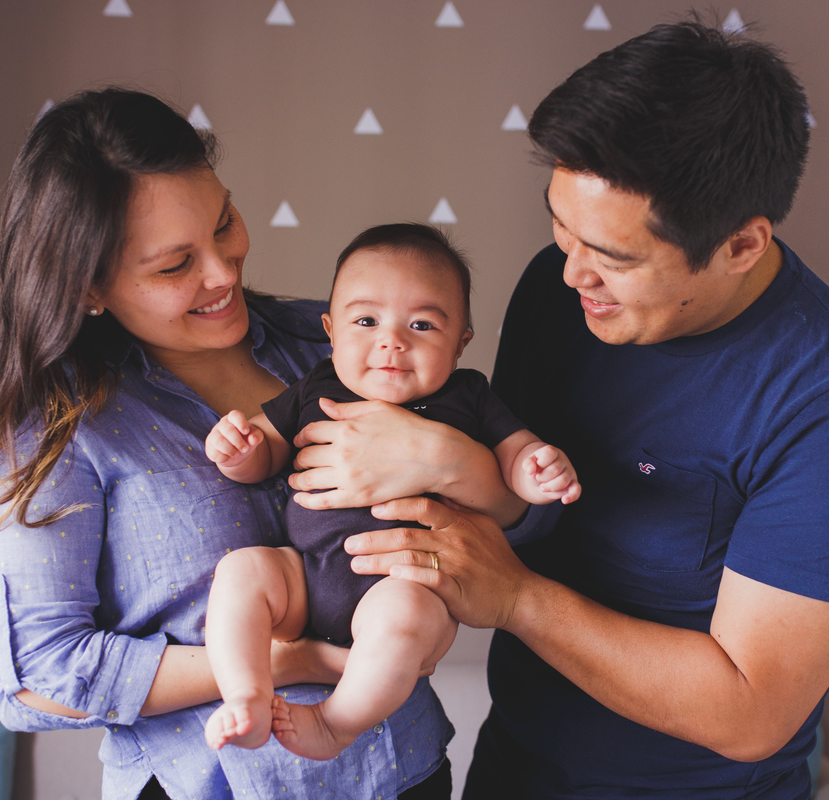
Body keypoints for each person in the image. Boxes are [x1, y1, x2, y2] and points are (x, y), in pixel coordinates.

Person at [330, 21, 829, 799]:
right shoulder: (561, 292)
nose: (572, 273)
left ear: (741, 245)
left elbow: (751, 713)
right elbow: (523, 498)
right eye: (560, 225)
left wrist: (516, 598)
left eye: (613, 257)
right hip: (510, 764)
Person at [0, 88, 523, 800]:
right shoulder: (57, 426)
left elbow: (522, 525)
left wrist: (451, 465)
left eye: (224, 223)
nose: (224, 272)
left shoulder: (343, 343)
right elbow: (36, 679)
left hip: (401, 772)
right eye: (175, 265)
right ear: (88, 288)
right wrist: (289, 662)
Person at [200, 224, 580, 761]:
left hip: (404, 581)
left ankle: (335, 724)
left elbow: (514, 453)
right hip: (306, 575)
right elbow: (266, 450)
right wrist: (239, 450)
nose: (392, 341)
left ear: (461, 341)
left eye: (422, 324)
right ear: (331, 330)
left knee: (402, 618)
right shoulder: (318, 386)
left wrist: (535, 467)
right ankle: (246, 694)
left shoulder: (468, 396)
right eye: (366, 321)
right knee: (242, 571)